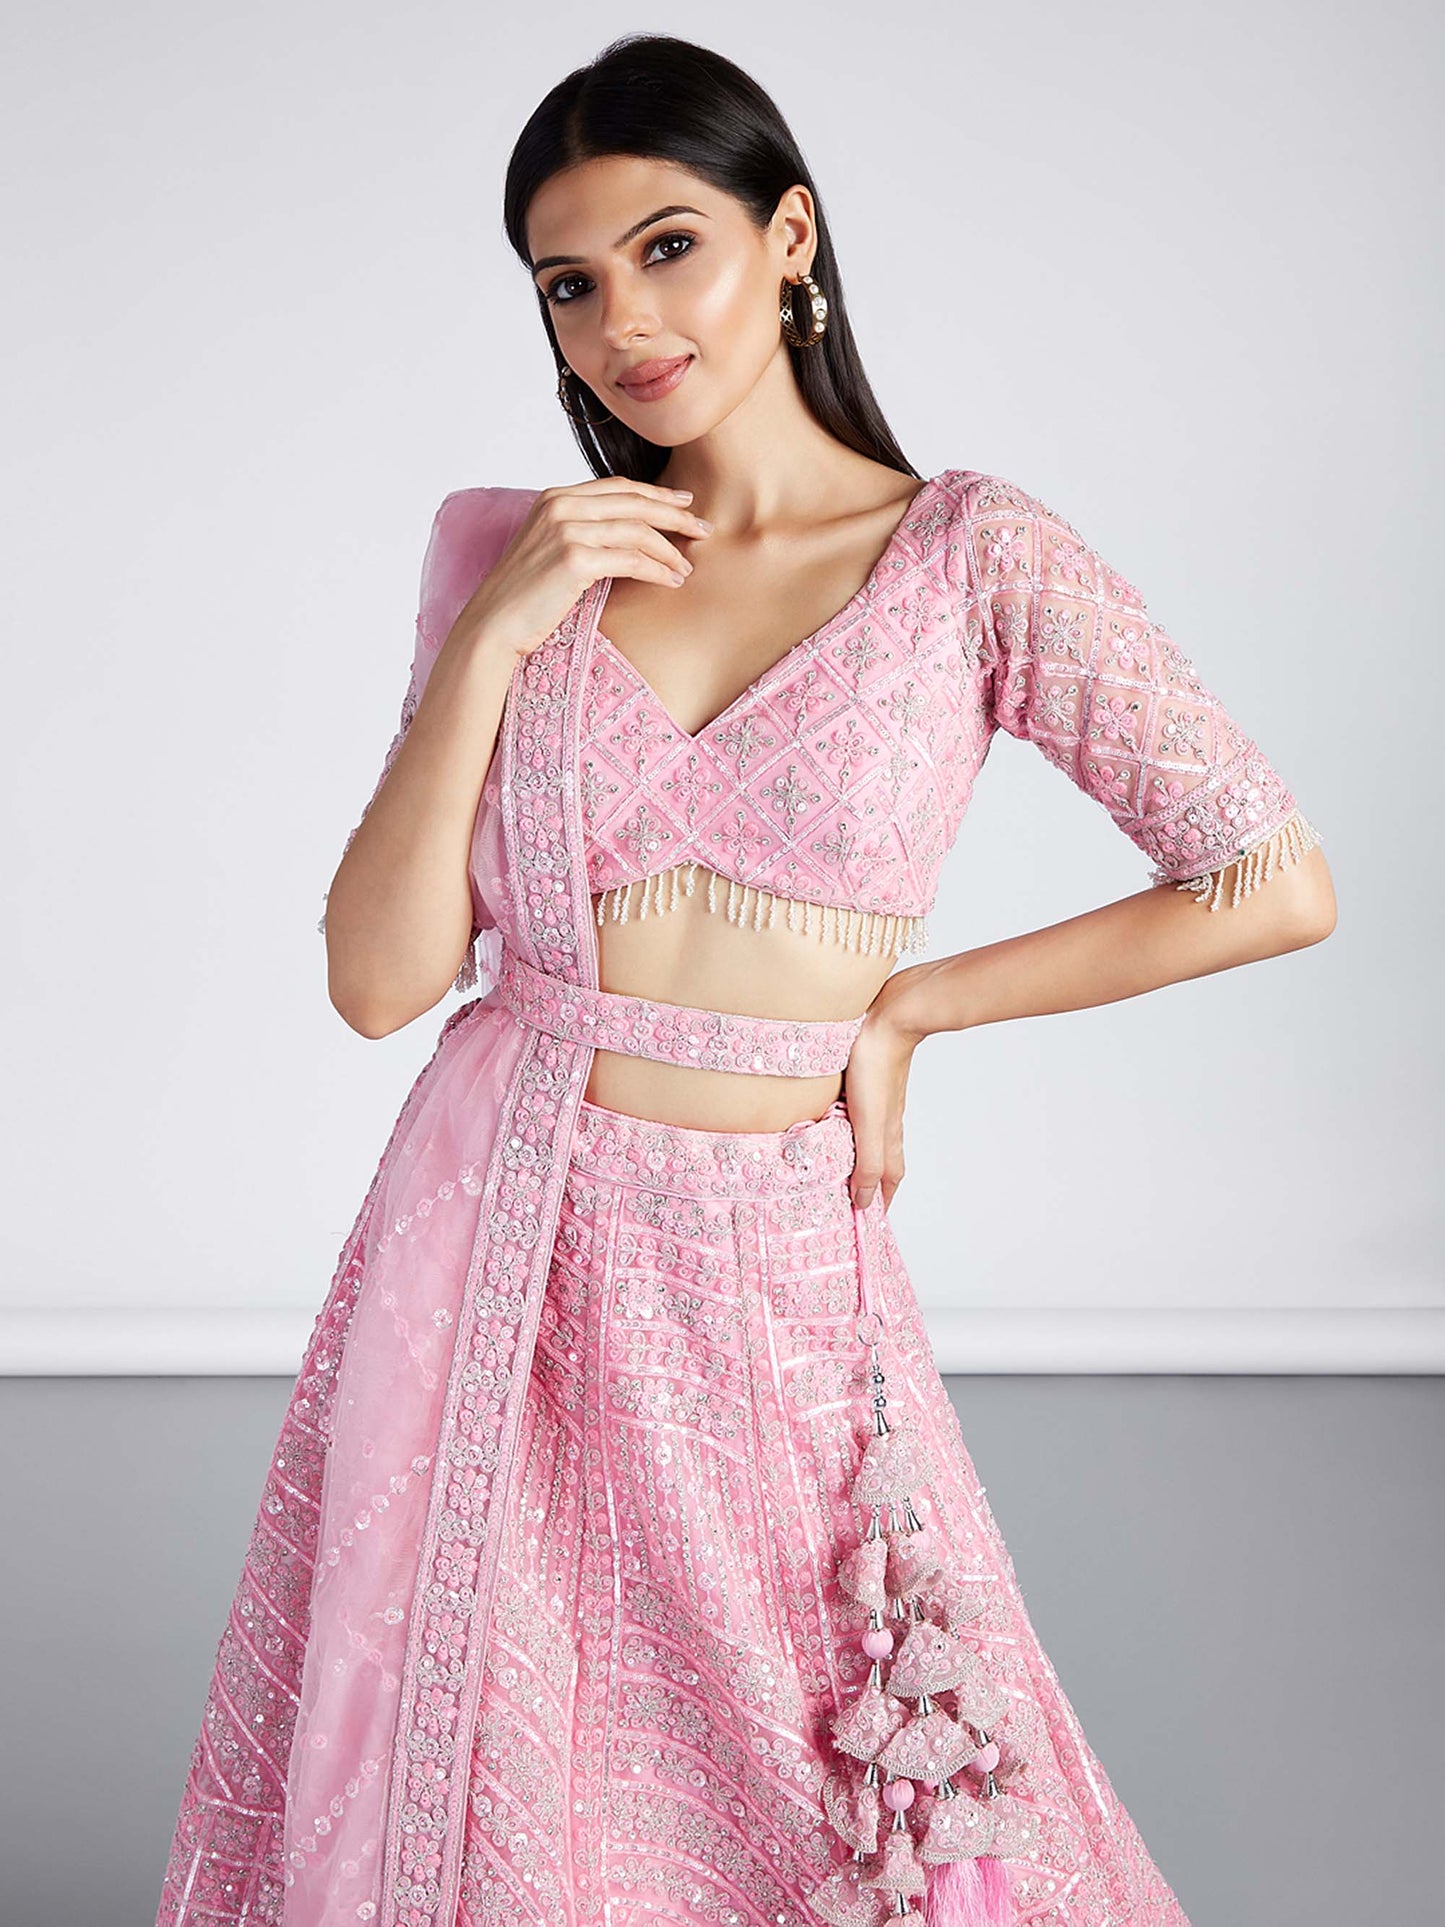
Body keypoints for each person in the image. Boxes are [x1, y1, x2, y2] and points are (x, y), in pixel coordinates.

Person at [155, 32, 1335, 1927]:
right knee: (506, 1761)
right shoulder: (511, 558)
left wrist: (916, 1007)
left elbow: (1266, 881)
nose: (622, 320)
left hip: (768, 1259)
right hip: (500, 1234)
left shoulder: (967, 559)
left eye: (667, 247)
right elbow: (380, 985)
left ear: (790, 239)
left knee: (836, 1742)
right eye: (568, 282)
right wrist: (493, 639)